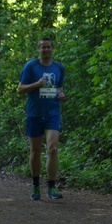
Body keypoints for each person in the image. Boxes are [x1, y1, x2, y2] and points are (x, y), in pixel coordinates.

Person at [17, 36, 66, 200]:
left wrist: (61, 93)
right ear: (38, 49)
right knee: (35, 151)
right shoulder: (31, 66)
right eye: (43, 47)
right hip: (34, 114)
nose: (46, 50)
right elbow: (20, 89)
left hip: (52, 113)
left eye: (48, 47)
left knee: (52, 149)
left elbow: (59, 86)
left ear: (53, 49)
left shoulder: (59, 67)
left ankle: (52, 186)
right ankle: (36, 185)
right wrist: (36, 84)